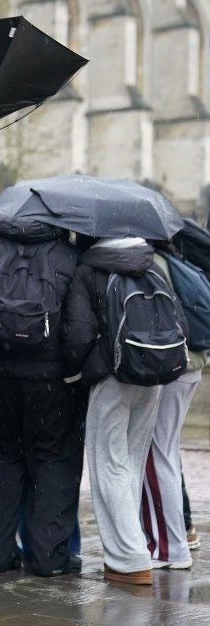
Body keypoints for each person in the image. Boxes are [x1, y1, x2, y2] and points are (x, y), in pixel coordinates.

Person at [0, 211, 81, 577]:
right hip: (49, 382)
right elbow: (78, 331)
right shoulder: (68, 254)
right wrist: (68, 369)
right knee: (52, 463)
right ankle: (48, 556)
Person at [61, 236, 186, 585]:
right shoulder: (152, 266)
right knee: (131, 461)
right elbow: (181, 323)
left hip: (111, 375)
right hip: (155, 373)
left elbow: (80, 334)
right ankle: (136, 547)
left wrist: (75, 372)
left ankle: (129, 559)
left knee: (109, 464)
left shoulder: (89, 269)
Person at [141, 243, 204, 570]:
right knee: (164, 451)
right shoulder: (176, 259)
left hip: (171, 367)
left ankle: (169, 548)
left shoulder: (152, 264)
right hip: (189, 365)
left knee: (156, 453)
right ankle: (177, 536)